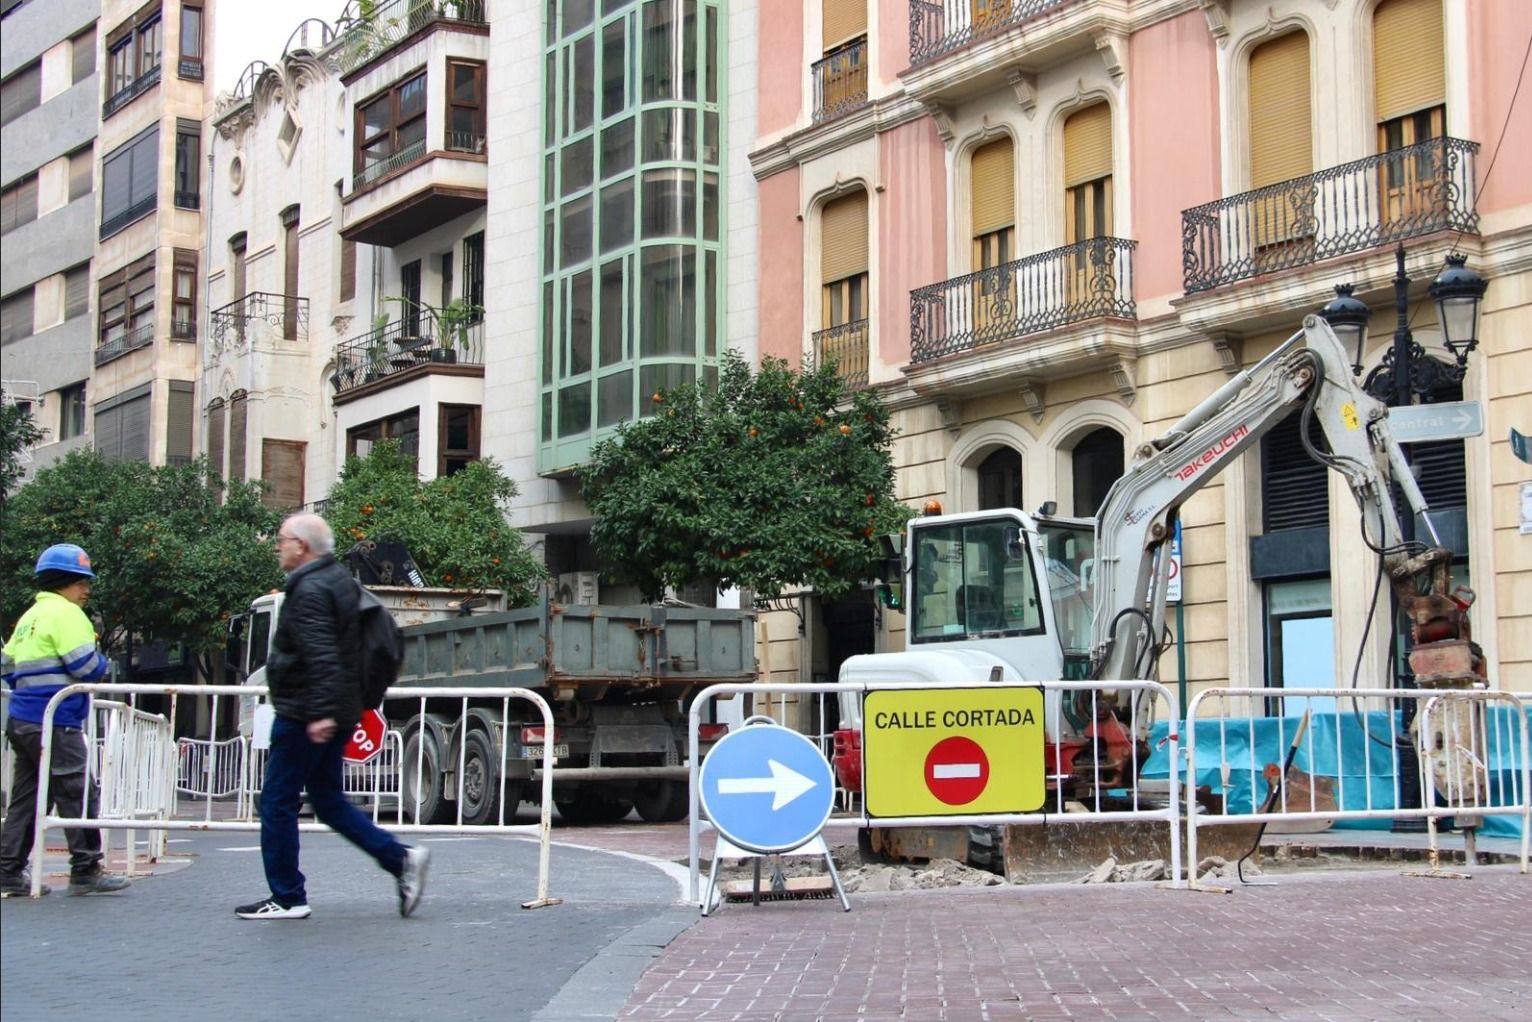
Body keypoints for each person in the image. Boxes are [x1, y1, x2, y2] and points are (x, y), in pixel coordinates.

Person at [236, 513, 429, 920]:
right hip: (337, 708)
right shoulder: (340, 580)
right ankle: (400, 859)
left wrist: (320, 713)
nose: (277, 545)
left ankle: (288, 897)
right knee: (326, 800)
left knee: (276, 801)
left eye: (282, 539)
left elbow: (322, 653)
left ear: (302, 546)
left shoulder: (309, 589)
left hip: (306, 712)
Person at [0, 544, 132, 897]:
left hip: (23, 719)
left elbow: (7, 667)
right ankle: (86, 869)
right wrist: (102, 662)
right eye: (81, 582)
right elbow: (86, 668)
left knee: (27, 799)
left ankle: (8, 872)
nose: (87, 589)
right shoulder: (69, 615)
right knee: (78, 792)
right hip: (58, 720)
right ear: (64, 582)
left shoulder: (29, 617)